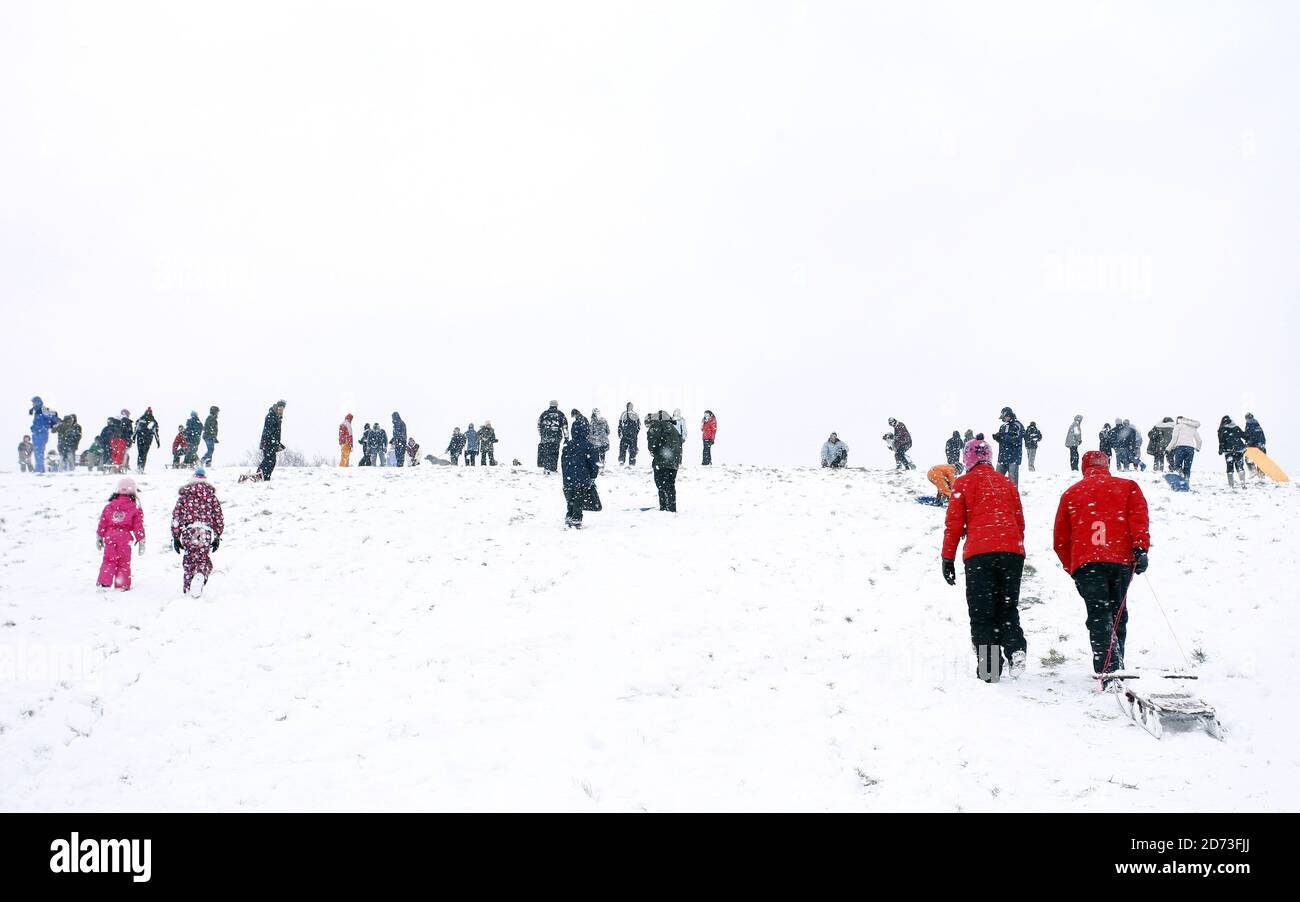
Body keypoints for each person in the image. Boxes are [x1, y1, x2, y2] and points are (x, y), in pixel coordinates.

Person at [1053, 450, 1150, 682]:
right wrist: (1140, 548)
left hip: (1088, 563)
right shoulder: (1128, 487)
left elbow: (1060, 540)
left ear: (1084, 467)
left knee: (1098, 615)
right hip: (1120, 560)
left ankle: (1108, 668)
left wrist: (1073, 568)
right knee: (1118, 613)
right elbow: (1138, 517)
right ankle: (1117, 664)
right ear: (1107, 465)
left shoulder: (1071, 494)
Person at [940, 436, 1028, 682]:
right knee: (1007, 605)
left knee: (982, 612)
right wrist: (1013, 547)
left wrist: (948, 558)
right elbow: (1019, 521)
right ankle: (1015, 647)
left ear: (968, 458)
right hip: (1011, 552)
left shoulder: (963, 484)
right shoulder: (1007, 483)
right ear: (989, 457)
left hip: (980, 555)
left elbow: (954, 525)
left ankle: (990, 669)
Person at [171, 466, 225, 597]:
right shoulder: (211, 496)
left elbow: (177, 517)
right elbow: (218, 516)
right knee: (203, 558)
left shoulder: (184, 496)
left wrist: (176, 536)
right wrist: (217, 535)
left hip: (189, 531)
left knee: (189, 558)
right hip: (204, 531)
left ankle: (188, 587)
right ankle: (200, 574)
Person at [96, 477, 145, 591]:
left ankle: (104, 583)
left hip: (110, 537)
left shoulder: (109, 506)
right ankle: (121, 584)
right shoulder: (135, 507)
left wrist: (99, 536)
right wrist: (141, 539)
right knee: (123, 562)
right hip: (124, 538)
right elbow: (138, 525)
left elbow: (103, 522)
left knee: (108, 560)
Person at [561, 414, 602, 528]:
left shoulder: (567, 446)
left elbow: (563, 463)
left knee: (571, 499)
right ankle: (576, 519)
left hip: (568, 479)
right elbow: (594, 464)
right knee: (579, 499)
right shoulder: (589, 446)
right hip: (582, 477)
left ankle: (569, 517)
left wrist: (566, 476)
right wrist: (593, 476)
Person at [647, 411, 682, 511]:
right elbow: (679, 445)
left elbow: (652, 444)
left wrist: (654, 451)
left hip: (661, 462)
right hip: (673, 462)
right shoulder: (673, 429)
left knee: (661, 485)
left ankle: (663, 508)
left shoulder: (656, 426)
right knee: (670, 485)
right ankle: (671, 508)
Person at [992, 407, 1024, 487]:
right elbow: (1003, 441)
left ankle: (1013, 498)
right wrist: (998, 438)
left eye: (1004, 417)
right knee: (997, 480)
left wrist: (1004, 437)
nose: (1003, 419)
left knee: (1012, 482)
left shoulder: (1018, 425)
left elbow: (1017, 440)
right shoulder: (1002, 426)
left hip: (1013, 457)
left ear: (1008, 415)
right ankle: (997, 497)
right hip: (1002, 457)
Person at [29, 397, 61, 474]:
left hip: (41, 433)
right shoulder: (37, 410)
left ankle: (39, 469)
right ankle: (40, 468)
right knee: (37, 451)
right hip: (37, 433)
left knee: (39, 451)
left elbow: (53, 417)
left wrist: (58, 422)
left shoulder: (43, 410)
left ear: (38, 402)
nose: (33, 404)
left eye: (34, 402)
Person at [257, 401, 286, 481]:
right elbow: (268, 432)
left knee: (271, 461)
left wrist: (278, 444)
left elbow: (276, 433)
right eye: (279, 409)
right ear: (276, 407)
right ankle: (260, 476)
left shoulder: (277, 417)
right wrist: (274, 442)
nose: (281, 411)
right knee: (269, 460)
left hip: (272, 443)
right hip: (267, 443)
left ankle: (265, 477)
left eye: (282, 409)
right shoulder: (271, 416)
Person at [1168, 416, 1202, 482]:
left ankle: (1180, 480)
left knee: (1177, 466)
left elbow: (1174, 440)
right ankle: (1186, 482)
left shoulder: (1178, 426)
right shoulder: (1192, 427)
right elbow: (1199, 440)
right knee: (1187, 467)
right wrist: (1198, 448)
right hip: (1190, 449)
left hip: (1180, 448)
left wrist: (1168, 449)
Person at [1217, 415, 1248, 489]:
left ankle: (1231, 485)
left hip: (1228, 452)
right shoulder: (1236, 428)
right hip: (1239, 450)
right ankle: (1243, 484)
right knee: (1240, 467)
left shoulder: (1222, 429)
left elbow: (1221, 442)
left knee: (1230, 469)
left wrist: (1220, 450)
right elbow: (1244, 436)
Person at [537, 401, 567, 474]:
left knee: (546, 452)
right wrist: (566, 437)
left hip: (545, 437)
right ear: (557, 405)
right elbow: (564, 427)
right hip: (556, 437)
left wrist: (542, 435)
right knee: (554, 452)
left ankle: (546, 468)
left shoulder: (544, 414)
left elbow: (538, 425)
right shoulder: (560, 414)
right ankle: (553, 468)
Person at [134, 407, 161, 472]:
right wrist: (158, 442)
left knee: (140, 453)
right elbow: (155, 432)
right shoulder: (153, 421)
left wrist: (133, 438)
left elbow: (136, 429)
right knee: (144, 453)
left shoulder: (141, 419)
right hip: (148, 439)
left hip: (140, 437)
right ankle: (141, 468)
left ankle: (139, 467)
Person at [1243, 413, 1267, 478]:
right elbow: (1263, 437)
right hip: (1261, 445)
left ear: (1247, 418)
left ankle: (1253, 470)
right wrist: (1262, 444)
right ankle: (1261, 473)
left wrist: (1248, 443)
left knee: (1247, 457)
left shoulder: (1249, 424)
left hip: (1253, 445)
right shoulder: (1258, 426)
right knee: (1261, 460)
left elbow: (1248, 435)